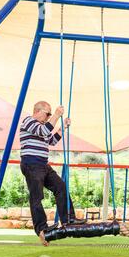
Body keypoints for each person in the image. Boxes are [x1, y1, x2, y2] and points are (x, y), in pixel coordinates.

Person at [19, 101, 85, 247]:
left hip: (43, 164)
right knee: (36, 196)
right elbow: (44, 131)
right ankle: (41, 229)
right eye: (47, 114)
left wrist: (63, 128)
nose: (49, 117)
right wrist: (56, 115)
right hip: (31, 164)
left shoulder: (43, 127)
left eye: (50, 114)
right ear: (38, 111)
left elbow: (52, 140)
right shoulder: (28, 121)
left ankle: (68, 219)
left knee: (60, 187)